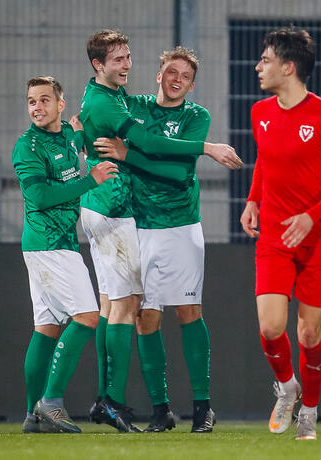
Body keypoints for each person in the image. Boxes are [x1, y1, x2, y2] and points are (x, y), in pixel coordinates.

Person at [79, 30, 242, 432]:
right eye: (171, 70)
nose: (177, 78)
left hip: (182, 226)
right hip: (139, 226)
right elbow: (92, 119)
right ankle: (160, 410)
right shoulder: (135, 106)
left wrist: (128, 155)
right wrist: (78, 132)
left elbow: (176, 171)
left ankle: (203, 407)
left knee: (189, 312)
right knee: (144, 318)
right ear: (159, 75)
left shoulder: (196, 116)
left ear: (191, 84)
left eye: (185, 75)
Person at [239, 26, 321, 440]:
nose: (258, 66)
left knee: (309, 332)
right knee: (271, 327)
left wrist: (311, 216)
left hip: (317, 237)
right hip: (273, 234)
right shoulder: (260, 112)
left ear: (288, 67)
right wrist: (254, 199)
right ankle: (288, 387)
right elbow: (263, 159)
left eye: (267, 60)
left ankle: (309, 410)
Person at [13, 76, 118, 434]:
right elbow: (40, 197)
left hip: (53, 245)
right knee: (88, 317)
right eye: (31, 102)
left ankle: (31, 416)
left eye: (44, 100)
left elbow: (70, 144)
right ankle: (51, 402)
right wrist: (92, 180)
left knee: (46, 327)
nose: (36, 107)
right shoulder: (27, 147)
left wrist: (75, 133)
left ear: (60, 104)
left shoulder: (64, 139)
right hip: (49, 243)